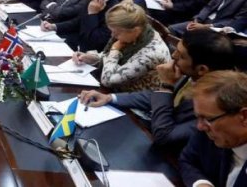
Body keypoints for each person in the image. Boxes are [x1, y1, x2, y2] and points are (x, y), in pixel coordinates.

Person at [79, 29, 237, 150]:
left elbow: (165, 137)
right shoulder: (191, 74)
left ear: (202, 69)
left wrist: (166, 86)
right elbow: (155, 97)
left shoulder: (218, 101)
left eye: (181, 56)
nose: (173, 56)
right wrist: (110, 98)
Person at [73, 0, 170, 92]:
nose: (112, 36)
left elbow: (108, 80)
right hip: (117, 91)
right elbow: (106, 57)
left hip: (133, 102)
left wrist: (115, 51)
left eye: (116, 33)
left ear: (135, 30)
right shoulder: (135, 33)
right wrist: (89, 58)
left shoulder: (151, 53)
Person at [178, 70, 247, 187]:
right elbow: (187, 160)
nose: (200, 127)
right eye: (198, 117)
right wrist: (201, 183)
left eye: (207, 119)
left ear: (244, 117)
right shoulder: (208, 133)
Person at [45, 0, 115, 51]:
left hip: (89, 53)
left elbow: (96, 41)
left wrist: (92, 14)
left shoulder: (113, 12)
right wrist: (54, 26)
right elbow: (78, 22)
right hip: (75, 42)